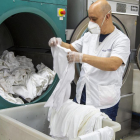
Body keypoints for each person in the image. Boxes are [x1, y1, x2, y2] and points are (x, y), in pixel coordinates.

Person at [48, 0, 130, 121]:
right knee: (79, 130)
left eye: (94, 19)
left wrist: (82, 57)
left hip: (103, 101)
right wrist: (59, 43)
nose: (90, 23)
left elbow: (114, 64)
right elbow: (72, 47)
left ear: (107, 16)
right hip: (82, 94)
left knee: (100, 134)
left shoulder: (121, 40)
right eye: (89, 18)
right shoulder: (89, 35)